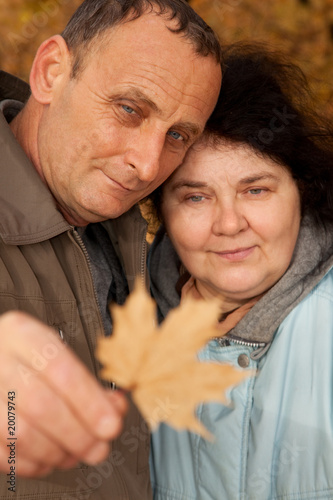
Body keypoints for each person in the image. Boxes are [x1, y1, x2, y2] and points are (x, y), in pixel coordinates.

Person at [0, 0, 222, 497]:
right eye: (129, 109)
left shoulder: (143, 250)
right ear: (51, 72)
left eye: (177, 135)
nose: (147, 165)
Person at [148, 44, 333, 500]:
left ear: (302, 193)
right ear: (161, 214)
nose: (229, 224)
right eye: (195, 196)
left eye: (255, 190)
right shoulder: (120, 331)